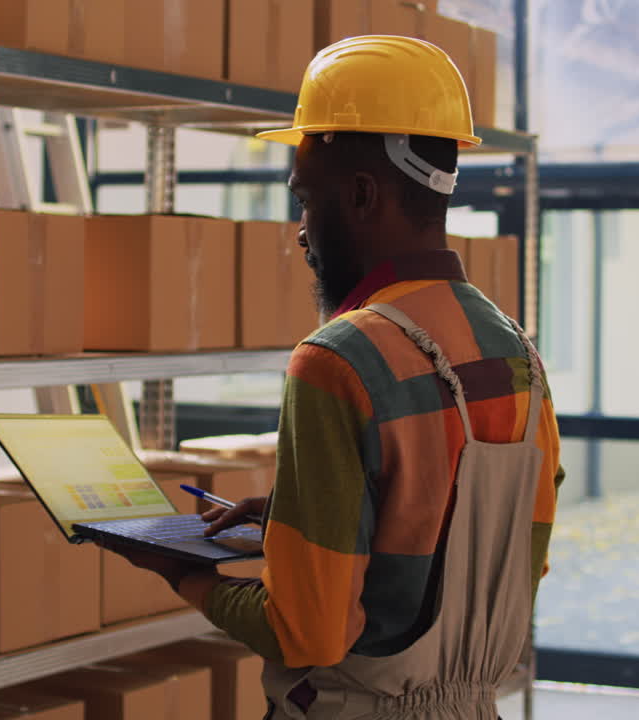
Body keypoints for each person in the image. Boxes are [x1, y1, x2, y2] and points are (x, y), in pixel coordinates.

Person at [101, 35, 564, 719]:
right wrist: (308, 520)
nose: (300, 231)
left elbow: (309, 633)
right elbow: (515, 558)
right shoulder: (517, 353)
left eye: (306, 198)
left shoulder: (338, 360)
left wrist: (183, 574)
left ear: (362, 194)